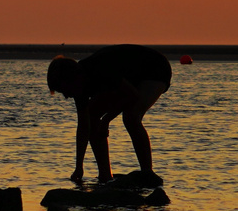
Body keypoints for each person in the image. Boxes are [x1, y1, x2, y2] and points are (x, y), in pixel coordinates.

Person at [46, 44, 172, 186]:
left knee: (131, 117)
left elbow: (132, 95)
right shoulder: (78, 86)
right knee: (91, 115)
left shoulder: (99, 70)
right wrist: (79, 167)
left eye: (63, 90)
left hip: (155, 68)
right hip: (131, 77)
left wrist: (106, 120)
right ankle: (105, 176)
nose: (66, 96)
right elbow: (83, 126)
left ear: (71, 79)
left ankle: (147, 174)